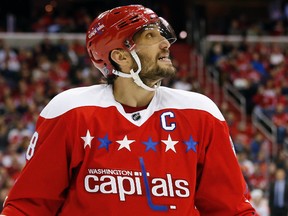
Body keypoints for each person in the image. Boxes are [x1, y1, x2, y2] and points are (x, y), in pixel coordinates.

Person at [1, 4, 255, 215]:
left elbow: (231, 209)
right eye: (150, 36)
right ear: (120, 57)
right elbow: (29, 206)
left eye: (162, 35)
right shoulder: (72, 111)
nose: (165, 43)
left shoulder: (201, 112)